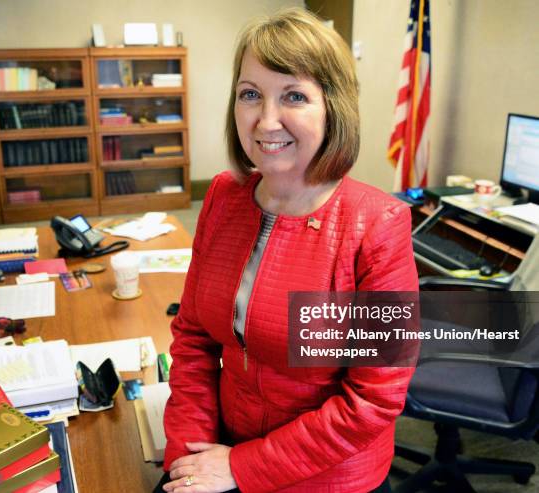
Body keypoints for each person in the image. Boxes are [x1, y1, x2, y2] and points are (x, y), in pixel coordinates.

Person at [159, 7, 418, 493]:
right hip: (220, 450)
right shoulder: (222, 195)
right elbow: (194, 338)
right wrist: (188, 454)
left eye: (294, 95)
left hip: (328, 475)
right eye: (251, 94)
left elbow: (372, 401)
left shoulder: (376, 226)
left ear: (333, 108)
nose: (266, 119)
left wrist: (243, 467)